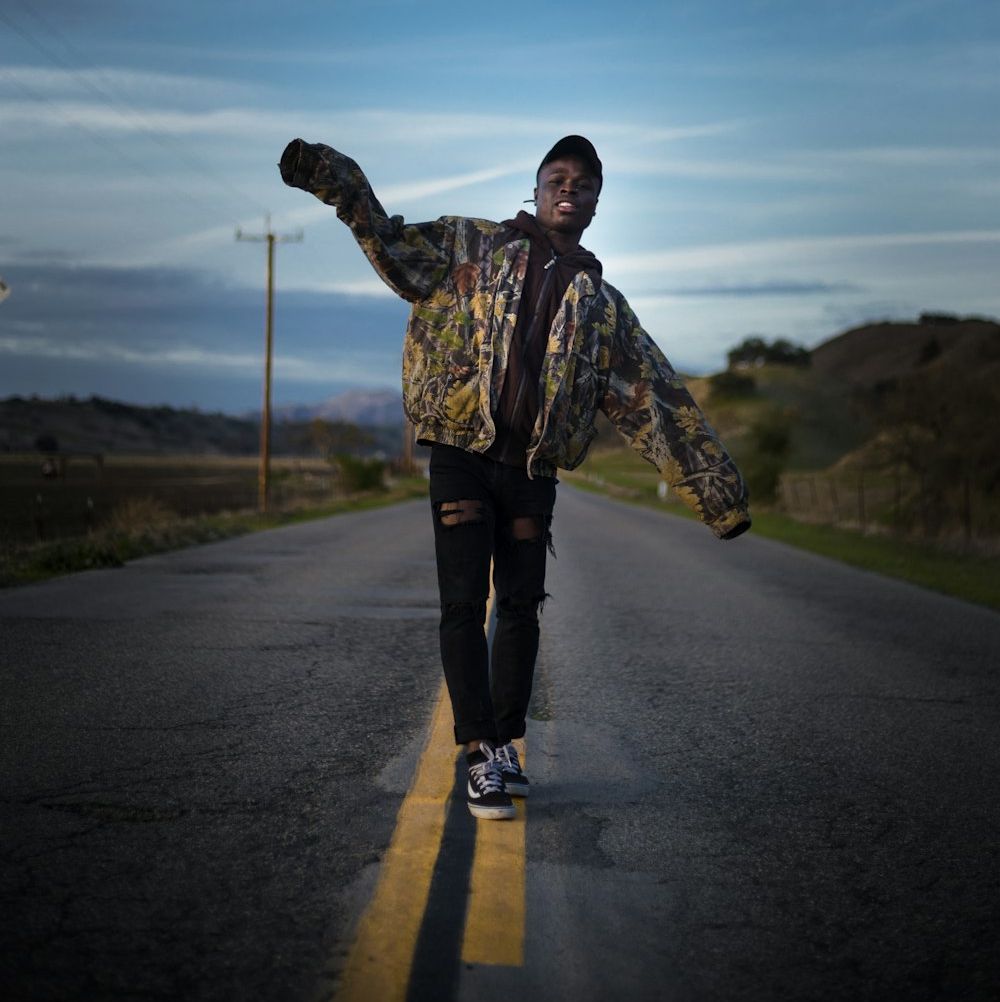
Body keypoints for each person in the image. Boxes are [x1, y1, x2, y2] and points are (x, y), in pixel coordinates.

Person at [279, 134, 750, 819]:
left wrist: (720, 499)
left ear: (594, 203)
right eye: (557, 176)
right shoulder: (469, 245)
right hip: (461, 455)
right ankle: (477, 755)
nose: (570, 187)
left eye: (584, 183)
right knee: (466, 604)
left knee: (522, 609)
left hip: (531, 470)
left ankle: (502, 745)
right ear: (533, 191)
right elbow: (388, 241)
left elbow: (658, 402)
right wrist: (329, 175)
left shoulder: (602, 307)